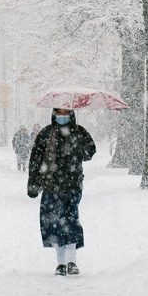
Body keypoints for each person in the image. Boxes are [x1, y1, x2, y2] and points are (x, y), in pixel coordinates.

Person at [27, 108, 96, 276]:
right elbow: (35, 159)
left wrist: (76, 147)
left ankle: (72, 261)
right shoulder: (46, 133)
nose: (62, 117)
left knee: (71, 220)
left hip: (72, 185)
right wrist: (33, 184)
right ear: (53, 114)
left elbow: (90, 151)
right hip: (51, 185)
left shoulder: (79, 132)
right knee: (54, 223)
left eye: (65, 113)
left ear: (71, 115)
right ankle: (60, 263)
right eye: (59, 113)